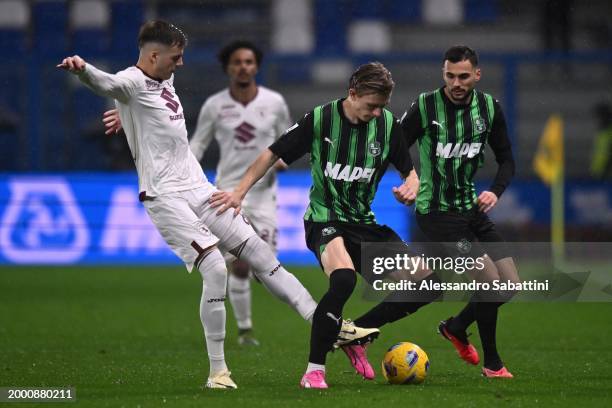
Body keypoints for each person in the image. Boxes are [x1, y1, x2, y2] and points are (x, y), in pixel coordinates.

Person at [58, 20, 374, 390]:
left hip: (200, 188)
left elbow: (145, 109)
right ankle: (217, 372)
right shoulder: (131, 80)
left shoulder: (163, 82)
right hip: (165, 195)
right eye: (175, 57)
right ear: (154, 55)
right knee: (215, 268)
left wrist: (127, 117)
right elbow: (108, 84)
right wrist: (84, 71)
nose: (181, 64)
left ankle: (331, 327)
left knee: (262, 255)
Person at [211, 62, 442, 389]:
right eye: (371, 106)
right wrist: (238, 193)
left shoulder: (388, 126)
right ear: (352, 94)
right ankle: (314, 371)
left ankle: (355, 334)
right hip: (325, 219)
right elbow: (271, 154)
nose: (376, 113)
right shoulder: (321, 119)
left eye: (382, 107)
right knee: (344, 279)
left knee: (429, 284)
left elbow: (409, 170)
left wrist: (412, 185)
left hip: (364, 224)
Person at [400, 45, 520, 378]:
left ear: (476, 76)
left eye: (463, 76)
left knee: (509, 284)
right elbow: (395, 145)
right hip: (437, 212)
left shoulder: (489, 108)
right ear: (444, 73)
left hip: (471, 209)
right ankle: (493, 364)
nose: (456, 82)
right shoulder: (425, 106)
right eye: (450, 75)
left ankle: (456, 326)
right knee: (489, 280)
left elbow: (507, 158)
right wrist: (410, 179)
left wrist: (495, 191)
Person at [189, 40, 291, 346]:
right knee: (240, 264)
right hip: (227, 194)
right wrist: (186, 172)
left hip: (263, 196)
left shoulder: (274, 103)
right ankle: (245, 329)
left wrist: (285, 158)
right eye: (237, 62)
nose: (243, 67)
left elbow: (289, 138)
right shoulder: (215, 106)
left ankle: (251, 318)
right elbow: (198, 145)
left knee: (265, 269)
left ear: (256, 67)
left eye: (248, 61)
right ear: (227, 68)